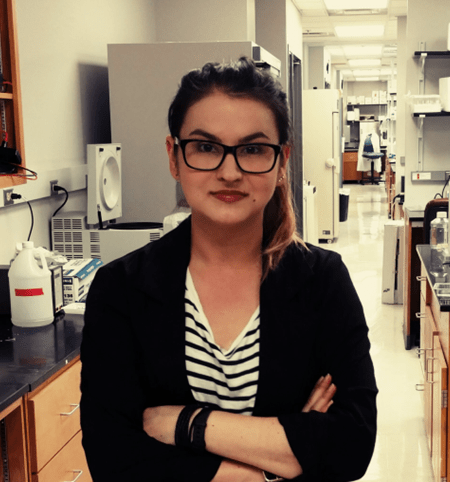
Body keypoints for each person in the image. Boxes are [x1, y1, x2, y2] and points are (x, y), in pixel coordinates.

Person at [80, 57, 377, 482]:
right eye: (205, 147)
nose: (229, 171)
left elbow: (351, 447)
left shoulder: (322, 280)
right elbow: (114, 459)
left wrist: (185, 425)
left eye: (253, 149)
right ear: (174, 157)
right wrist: (272, 466)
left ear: (281, 162)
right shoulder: (121, 290)